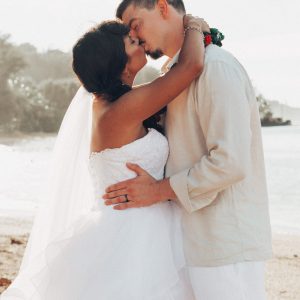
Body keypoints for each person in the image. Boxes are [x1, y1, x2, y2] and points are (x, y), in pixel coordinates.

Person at [1, 16, 209, 299]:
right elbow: (191, 66)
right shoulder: (123, 108)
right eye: (132, 42)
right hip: (132, 238)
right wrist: (195, 26)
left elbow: (169, 82)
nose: (140, 42)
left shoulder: (115, 103)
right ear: (120, 62)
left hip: (137, 228)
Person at [103, 0, 273, 299]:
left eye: (135, 23)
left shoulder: (216, 68)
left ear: (162, 6)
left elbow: (230, 162)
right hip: (193, 245)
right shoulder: (176, 76)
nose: (134, 36)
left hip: (225, 246)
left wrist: (157, 191)